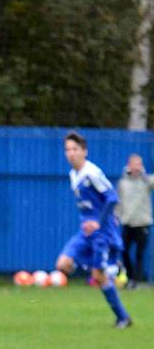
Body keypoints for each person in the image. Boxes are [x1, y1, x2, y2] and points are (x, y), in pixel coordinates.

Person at [55, 131, 132, 328]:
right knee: (63, 264)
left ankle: (123, 317)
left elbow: (112, 197)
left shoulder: (92, 173)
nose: (71, 153)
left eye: (75, 149)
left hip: (102, 234)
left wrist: (98, 221)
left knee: (100, 278)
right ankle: (97, 268)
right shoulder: (73, 175)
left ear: (84, 151)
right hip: (85, 232)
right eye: (67, 150)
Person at [117, 153, 154, 288]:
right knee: (124, 251)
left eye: (139, 164)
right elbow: (118, 202)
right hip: (127, 222)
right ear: (129, 165)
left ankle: (135, 282)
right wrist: (116, 216)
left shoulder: (146, 181)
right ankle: (130, 276)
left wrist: (143, 175)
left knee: (139, 253)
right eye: (135, 164)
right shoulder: (123, 182)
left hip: (143, 223)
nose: (137, 167)